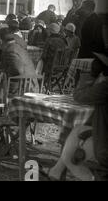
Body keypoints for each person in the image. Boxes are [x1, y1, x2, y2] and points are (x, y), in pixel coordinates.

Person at [44, 52, 108, 181]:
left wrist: (91, 77)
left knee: (72, 151)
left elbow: (79, 96)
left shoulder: (104, 88)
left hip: (104, 146)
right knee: (76, 131)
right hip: (100, 134)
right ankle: (56, 171)